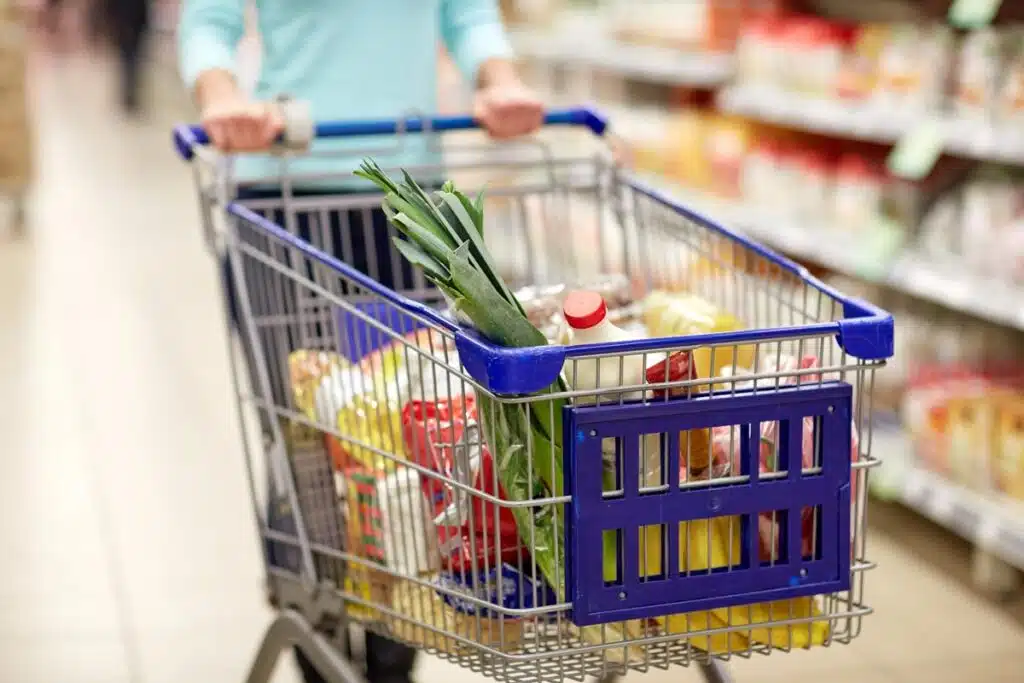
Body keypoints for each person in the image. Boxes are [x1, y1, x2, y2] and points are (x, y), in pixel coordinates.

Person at [177, 3, 543, 683]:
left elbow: (465, 14)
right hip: (286, 200)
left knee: (407, 447)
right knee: (309, 444)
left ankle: (390, 654)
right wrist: (223, 99)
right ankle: (320, 648)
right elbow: (210, 22)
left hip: (409, 209)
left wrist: (499, 80)